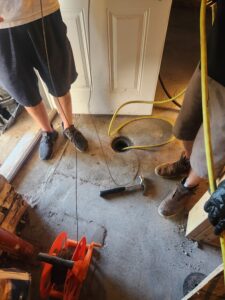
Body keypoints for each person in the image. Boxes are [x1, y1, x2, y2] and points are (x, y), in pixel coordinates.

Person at [155, 0, 225, 218]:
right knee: (186, 126)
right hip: (212, 61)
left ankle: (188, 186)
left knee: (211, 150)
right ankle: (187, 161)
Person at [0, 0, 88, 160]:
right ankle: (47, 131)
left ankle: (68, 126)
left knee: (60, 82)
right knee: (22, 91)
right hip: (2, 28)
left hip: (44, 13)